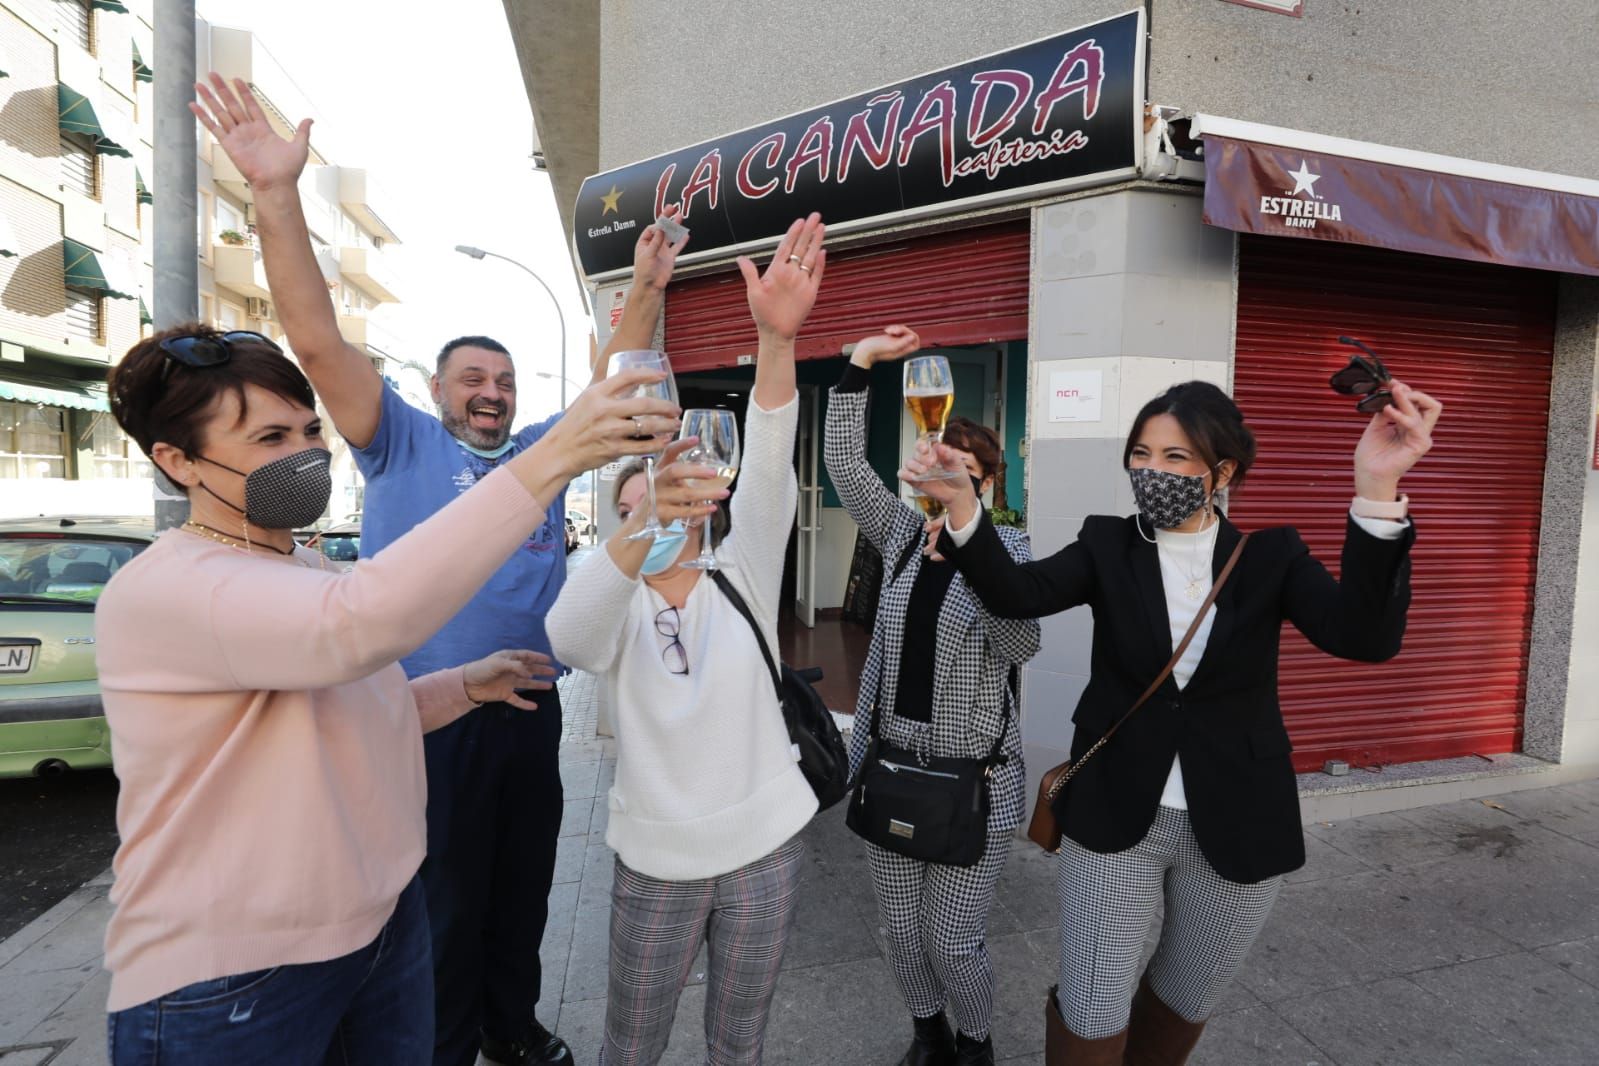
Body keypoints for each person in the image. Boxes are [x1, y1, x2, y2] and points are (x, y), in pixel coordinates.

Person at [191, 75, 687, 1066]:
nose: (493, 393)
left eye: (503, 382)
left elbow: (616, 379)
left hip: (528, 708)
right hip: (425, 714)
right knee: (444, 902)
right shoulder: (397, 440)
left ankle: (511, 1025)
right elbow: (318, 337)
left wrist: (648, 290)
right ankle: (445, 1043)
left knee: (522, 889)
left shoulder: (545, 452)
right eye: (474, 378)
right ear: (435, 388)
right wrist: (276, 196)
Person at [96, 325, 676, 1065]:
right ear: (176, 461)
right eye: (269, 436)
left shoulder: (303, 566)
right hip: (235, 977)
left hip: (376, 931)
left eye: (308, 430)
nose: (302, 453)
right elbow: (360, 625)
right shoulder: (170, 587)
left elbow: (355, 708)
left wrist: (462, 685)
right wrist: (557, 455)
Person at [907, 378, 1442, 1065]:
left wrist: (1375, 487)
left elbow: (1365, 639)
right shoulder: (1107, 545)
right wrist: (961, 504)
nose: (1151, 471)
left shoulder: (1271, 558)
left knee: (1187, 997)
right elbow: (1018, 595)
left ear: (1223, 473)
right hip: (1116, 813)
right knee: (1092, 1004)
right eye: (1141, 453)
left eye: (1175, 458)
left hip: (1240, 817)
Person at [546, 215, 827, 1066]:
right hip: (656, 863)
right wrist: (639, 529)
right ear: (624, 509)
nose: (674, 493)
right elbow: (569, 640)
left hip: (764, 850)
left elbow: (771, 458)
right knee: (631, 1045)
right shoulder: (612, 594)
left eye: (685, 481)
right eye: (649, 486)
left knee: (737, 1042)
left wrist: (774, 341)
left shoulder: (740, 568)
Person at [822, 327, 1040, 1066]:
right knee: (898, 930)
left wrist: (970, 539)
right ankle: (927, 1032)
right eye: (943, 467)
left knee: (951, 936)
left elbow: (1022, 647)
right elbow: (844, 465)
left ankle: (974, 1040)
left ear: (988, 485)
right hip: (890, 765)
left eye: (967, 472)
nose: (949, 481)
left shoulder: (1012, 555)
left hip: (969, 777)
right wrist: (858, 367)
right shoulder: (902, 538)